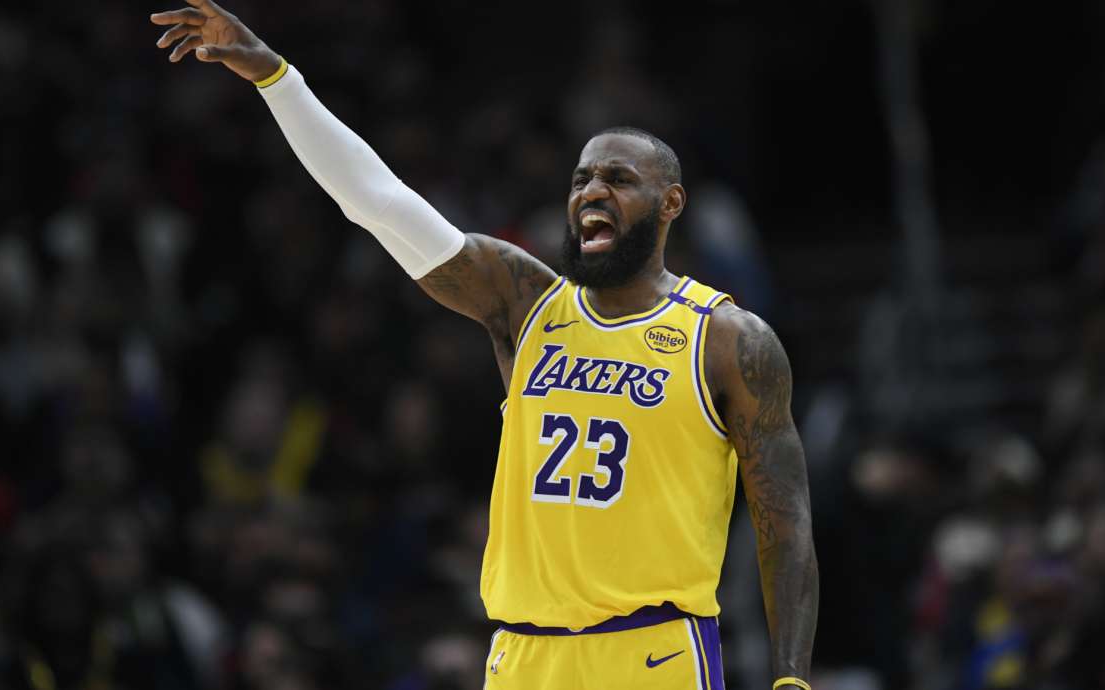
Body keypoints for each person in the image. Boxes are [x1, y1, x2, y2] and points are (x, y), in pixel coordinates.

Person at [149, 2, 818, 688]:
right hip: (522, 654)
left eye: (618, 179)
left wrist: (791, 678)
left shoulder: (728, 340)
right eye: (582, 179)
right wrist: (275, 76)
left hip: (651, 651)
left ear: (670, 203)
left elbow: (785, 524)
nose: (592, 191)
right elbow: (376, 200)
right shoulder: (525, 302)